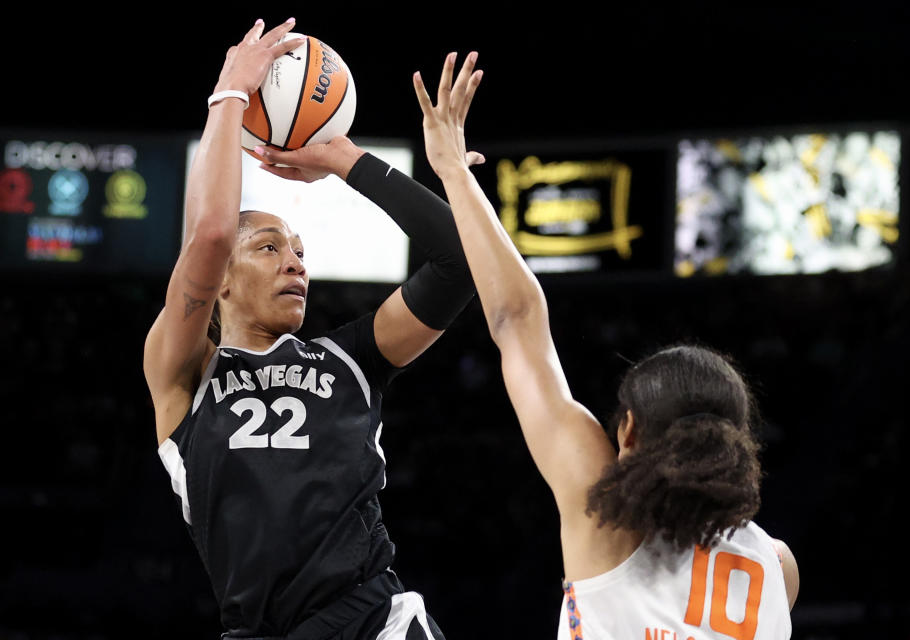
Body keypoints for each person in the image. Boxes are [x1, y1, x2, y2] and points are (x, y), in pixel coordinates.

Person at [411, 52, 800, 639]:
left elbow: (517, 318)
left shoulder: (603, 517)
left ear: (628, 434)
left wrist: (454, 173)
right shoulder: (778, 566)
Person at [144, 19, 475, 640]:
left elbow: (459, 261)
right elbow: (210, 235)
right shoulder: (184, 372)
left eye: (299, 250)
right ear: (219, 281)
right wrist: (230, 95)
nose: (296, 261)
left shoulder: (350, 358)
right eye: (269, 247)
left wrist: (342, 157)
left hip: (374, 619)